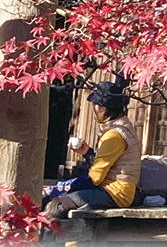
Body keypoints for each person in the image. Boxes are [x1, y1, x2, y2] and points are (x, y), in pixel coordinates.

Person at [43, 75, 142, 216]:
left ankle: (47, 238)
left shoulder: (114, 135)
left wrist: (64, 187)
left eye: (95, 105)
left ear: (102, 108)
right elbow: (107, 165)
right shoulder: (123, 127)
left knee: (55, 205)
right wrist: (87, 152)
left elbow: (94, 178)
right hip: (113, 190)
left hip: (114, 193)